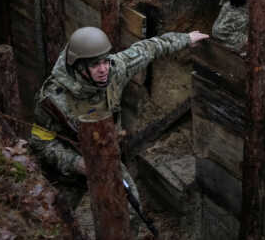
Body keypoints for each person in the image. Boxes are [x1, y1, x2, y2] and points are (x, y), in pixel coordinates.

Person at [29, 26, 209, 227]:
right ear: (78, 66)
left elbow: (148, 48)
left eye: (105, 61)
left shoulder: (115, 70)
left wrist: (185, 38)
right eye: (95, 65)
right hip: (65, 172)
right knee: (55, 222)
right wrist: (76, 164)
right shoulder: (53, 99)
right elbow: (40, 142)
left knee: (130, 212)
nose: (104, 68)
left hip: (106, 159)